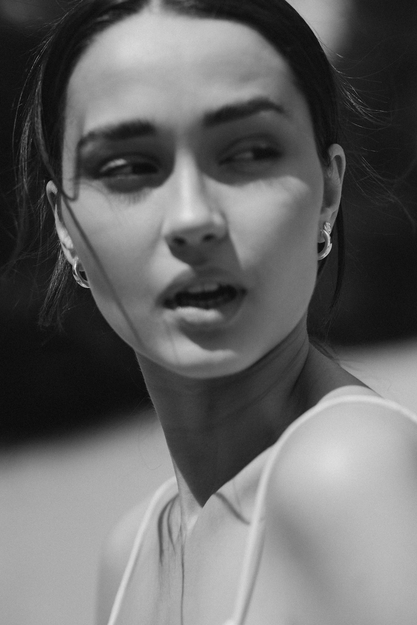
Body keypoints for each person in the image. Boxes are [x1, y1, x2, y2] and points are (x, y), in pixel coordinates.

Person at [17, 1, 417, 623]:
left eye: (249, 153)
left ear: (329, 189)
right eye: (128, 167)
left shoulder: (351, 473)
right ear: (65, 227)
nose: (192, 218)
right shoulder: (128, 558)